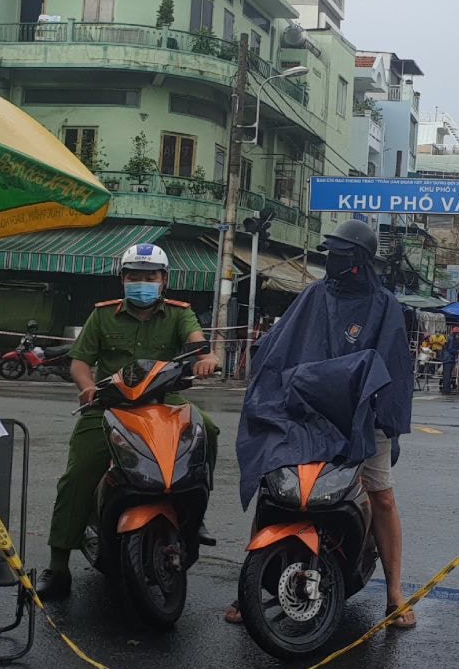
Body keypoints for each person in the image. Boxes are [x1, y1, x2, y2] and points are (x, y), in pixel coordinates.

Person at [230, 219, 416, 628]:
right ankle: (249, 586)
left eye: (342, 255)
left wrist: (384, 415)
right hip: (308, 413)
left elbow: (396, 369)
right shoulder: (314, 295)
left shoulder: (385, 306)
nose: (333, 261)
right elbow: (280, 349)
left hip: (363, 417)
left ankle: (395, 593)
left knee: (381, 494)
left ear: (361, 261)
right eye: (331, 253)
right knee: (274, 483)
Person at [34, 244, 219, 599]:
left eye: (150, 276)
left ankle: (196, 511)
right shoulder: (102, 316)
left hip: (165, 399)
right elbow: (79, 361)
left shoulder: (181, 315)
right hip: (109, 404)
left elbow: (199, 345)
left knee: (206, 429)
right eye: (134, 276)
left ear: (164, 281)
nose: (142, 282)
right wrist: (87, 388)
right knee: (79, 473)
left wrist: (206, 358)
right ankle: (58, 566)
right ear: (123, 279)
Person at [439, 322, 459, 395]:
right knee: (447, 375)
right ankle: (446, 390)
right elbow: (450, 349)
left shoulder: (451, 338)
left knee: (448, 375)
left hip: (448, 358)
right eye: (458, 334)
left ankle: (446, 389)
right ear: (455, 333)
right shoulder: (451, 339)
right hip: (448, 359)